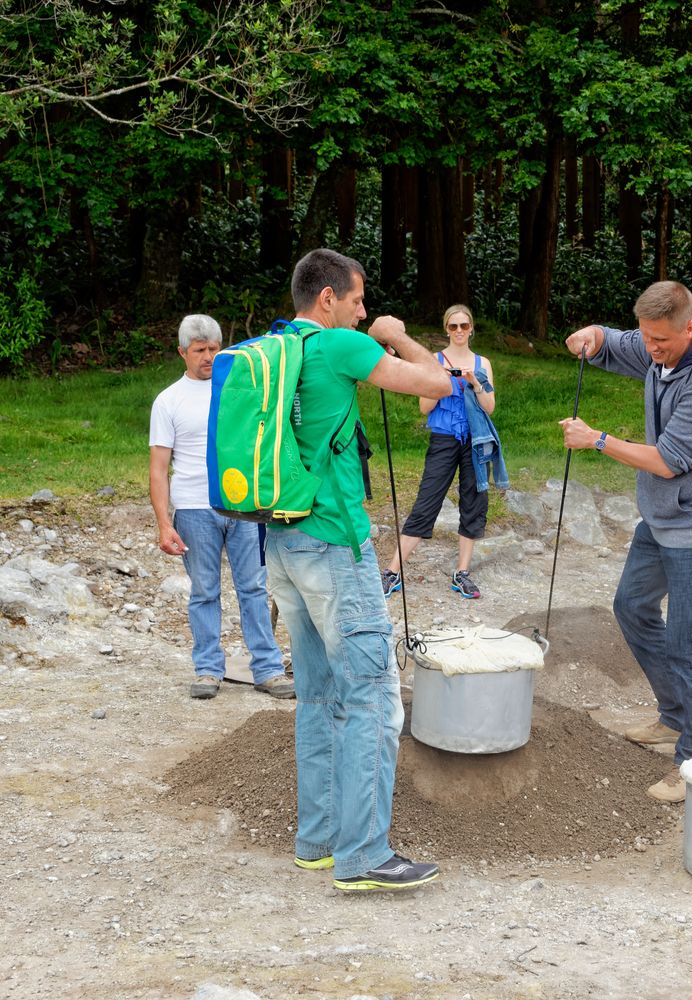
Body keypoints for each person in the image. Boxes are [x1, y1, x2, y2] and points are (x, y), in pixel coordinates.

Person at [263, 248, 452, 892]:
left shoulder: (279, 347)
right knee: (372, 697)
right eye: (358, 300)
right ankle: (366, 856)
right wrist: (398, 337)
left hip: (282, 544)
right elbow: (438, 384)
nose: (364, 311)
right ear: (327, 300)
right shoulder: (336, 346)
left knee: (317, 694)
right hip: (336, 547)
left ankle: (316, 840)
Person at [561, 281, 692, 804]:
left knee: (690, 642)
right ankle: (674, 717)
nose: (651, 348)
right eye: (647, 337)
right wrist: (593, 337)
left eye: (660, 341)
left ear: (690, 327)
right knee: (633, 606)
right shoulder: (658, 345)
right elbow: (617, 345)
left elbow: (667, 460)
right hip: (663, 517)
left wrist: (596, 439)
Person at [149, 314, 292, 702]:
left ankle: (268, 669)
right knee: (205, 591)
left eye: (214, 348)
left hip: (241, 505)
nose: (209, 356)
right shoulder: (169, 400)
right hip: (194, 507)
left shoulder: (238, 388)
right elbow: (159, 469)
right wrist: (164, 523)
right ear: (182, 353)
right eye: (200, 350)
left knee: (253, 587)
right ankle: (209, 669)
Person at [381, 303, 504, 601]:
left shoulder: (482, 363)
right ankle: (392, 572)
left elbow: (490, 408)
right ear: (446, 329)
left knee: (474, 502)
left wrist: (475, 384)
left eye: (464, 326)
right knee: (427, 500)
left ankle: (462, 573)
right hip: (444, 437)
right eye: (453, 326)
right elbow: (425, 407)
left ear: (471, 328)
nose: (459, 331)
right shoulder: (434, 361)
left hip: (475, 440)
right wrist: (443, 382)